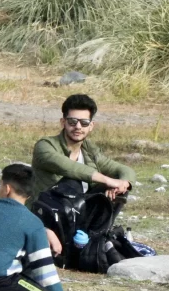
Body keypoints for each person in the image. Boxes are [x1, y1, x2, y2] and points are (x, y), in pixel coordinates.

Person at [31, 94, 135, 253]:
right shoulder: (45, 146)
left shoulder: (90, 151)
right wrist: (107, 180)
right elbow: (70, 168)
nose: (78, 127)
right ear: (63, 122)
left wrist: (123, 184)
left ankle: (96, 238)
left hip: (80, 215)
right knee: (72, 183)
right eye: (72, 122)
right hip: (50, 215)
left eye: (84, 123)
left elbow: (124, 170)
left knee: (118, 191)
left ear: (91, 125)